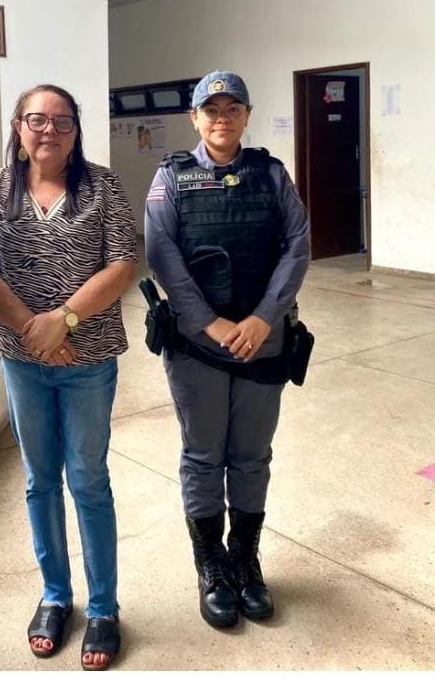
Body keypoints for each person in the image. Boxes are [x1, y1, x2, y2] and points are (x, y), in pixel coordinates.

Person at [0, 84, 137, 671]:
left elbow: (123, 263)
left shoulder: (103, 186)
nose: (49, 130)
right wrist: (34, 331)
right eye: (37, 119)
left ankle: (103, 608)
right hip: (22, 359)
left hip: (88, 359)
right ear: (18, 127)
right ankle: (54, 596)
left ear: (76, 130)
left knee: (88, 480)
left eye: (62, 120)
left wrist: (63, 320)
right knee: (40, 479)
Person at [144, 70, 310, 630]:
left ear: (246, 115)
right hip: (198, 346)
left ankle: (245, 558)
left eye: (232, 108)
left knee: (252, 455)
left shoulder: (272, 174)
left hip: (265, 342)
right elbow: (162, 256)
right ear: (194, 118)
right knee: (203, 455)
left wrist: (263, 318)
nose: (221, 118)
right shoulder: (170, 178)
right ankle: (211, 565)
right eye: (210, 109)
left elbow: (297, 246)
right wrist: (210, 323)